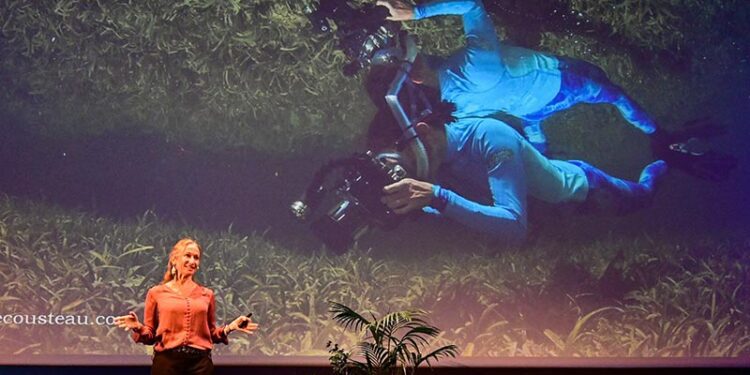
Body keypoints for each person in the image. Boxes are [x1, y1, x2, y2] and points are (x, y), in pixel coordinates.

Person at [374, 0, 736, 181]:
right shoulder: (472, 72)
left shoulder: (454, 96)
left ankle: (554, 189)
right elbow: (471, 4)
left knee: (544, 147)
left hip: (538, 105)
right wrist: (416, 12)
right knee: (611, 93)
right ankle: (662, 139)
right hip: (560, 85)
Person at [369, 101, 667, 243]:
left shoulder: (488, 136)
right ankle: (536, 134)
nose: (405, 168)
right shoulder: (441, 158)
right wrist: (412, 208)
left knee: (645, 196)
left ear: (423, 133)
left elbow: (513, 225)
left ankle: (665, 162)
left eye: (400, 158)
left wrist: (437, 197)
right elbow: (460, 211)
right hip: (546, 208)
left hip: (585, 190)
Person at [114, 238, 258, 375]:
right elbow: (150, 336)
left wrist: (230, 327)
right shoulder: (156, 293)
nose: (192, 261)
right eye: (187, 256)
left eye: (196, 257)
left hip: (200, 365)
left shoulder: (207, 294)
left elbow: (211, 334)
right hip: (167, 364)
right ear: (174, 259)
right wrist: (138, 327)